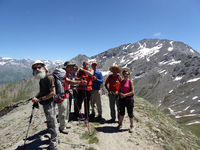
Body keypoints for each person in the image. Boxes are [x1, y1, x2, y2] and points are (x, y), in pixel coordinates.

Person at [31, 60, 59, 150]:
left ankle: (54, 145)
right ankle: (56, 139)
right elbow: (42, 91)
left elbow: (53, 93)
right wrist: (36, 97)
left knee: (52, 123)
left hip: (50, 103)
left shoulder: (49, 77)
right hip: (46, 103)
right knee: (51, 122)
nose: (37, 69)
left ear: (44, 67)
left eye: (39, 67)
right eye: (35, 68)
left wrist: (39, 99)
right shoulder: (42, 78)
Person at [56, 61, 75, 134]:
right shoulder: (63, 74)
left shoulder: (68, 74)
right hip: (62, 96)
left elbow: (67, 84)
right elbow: (69, 82)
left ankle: (65, 124)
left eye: (72, 67)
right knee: (62, 111)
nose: (71, 68)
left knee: (67, 111)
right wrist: (79, 82)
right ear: (66, 67)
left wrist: (69, 89)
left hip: (66, 95)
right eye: (70, 67)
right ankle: (62, 127)